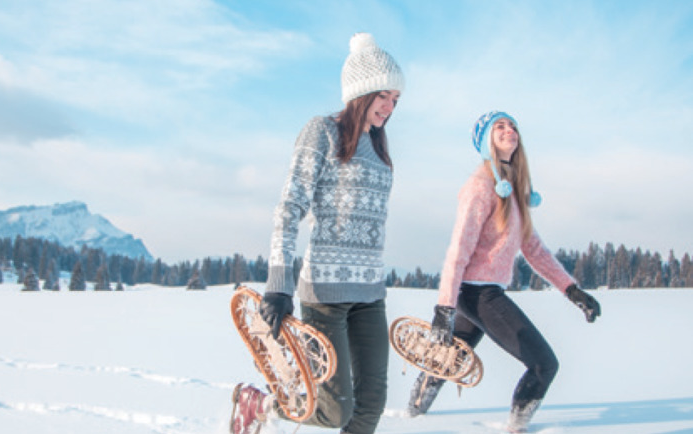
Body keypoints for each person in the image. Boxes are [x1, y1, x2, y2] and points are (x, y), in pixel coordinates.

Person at [229, 32, 404, 434]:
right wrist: (278, 284)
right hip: (325, 294)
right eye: (384, 96)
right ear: (362, 90)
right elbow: (289, 208)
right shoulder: (322, 132)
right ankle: (261, 405)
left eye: (396, 100)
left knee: (372, 403)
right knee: (336, 410)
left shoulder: (380, 148)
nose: (390, 107)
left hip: (370, 294)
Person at [407, 111, 602, 433]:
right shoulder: (481, 186)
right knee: (544, 364)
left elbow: (534, 250)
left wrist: (573, 290)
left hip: (482, 291)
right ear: (485, 141)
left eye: (512, 126)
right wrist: (444, 307)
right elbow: (459, 249)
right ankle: (516, 428)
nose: (509, 130)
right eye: (499, 126)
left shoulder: (513, 190)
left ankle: (411, 418)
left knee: (444, 361)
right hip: (476, 292)